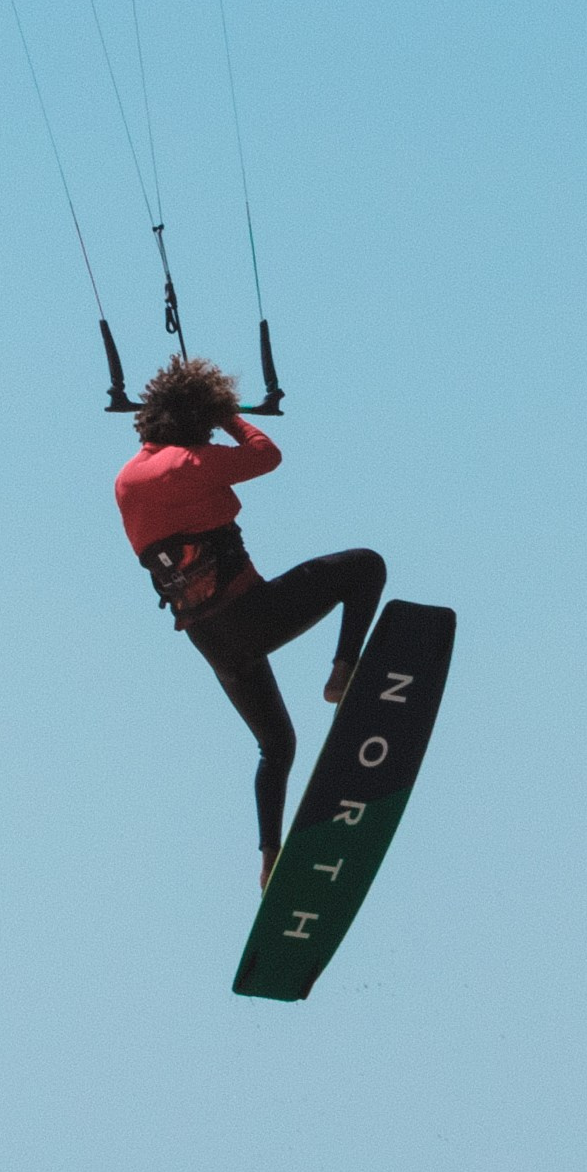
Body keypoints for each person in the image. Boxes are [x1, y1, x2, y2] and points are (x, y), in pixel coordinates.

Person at [115, 356, 385, 886]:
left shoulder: (127, 480)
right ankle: (343, 671)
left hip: (210, 642)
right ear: (198, 418)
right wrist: (229, 416)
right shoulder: (190, 464)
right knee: (364, 567)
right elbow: (266, 454)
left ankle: (270, 854)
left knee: (277, 745)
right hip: (250, 618)